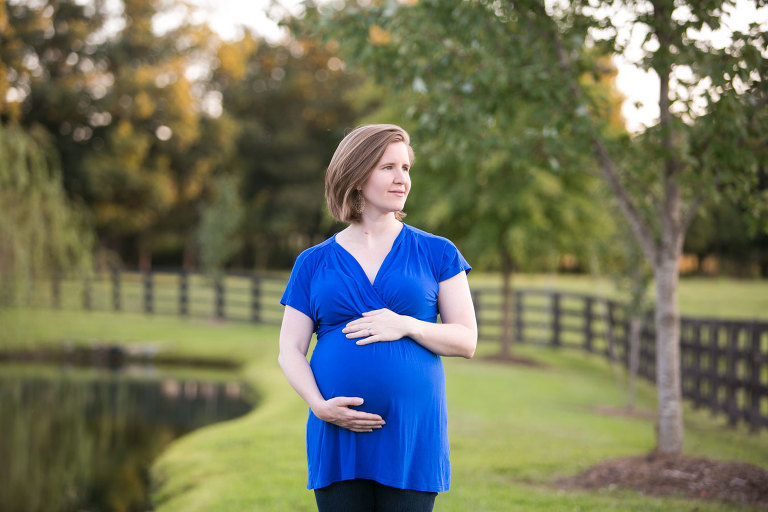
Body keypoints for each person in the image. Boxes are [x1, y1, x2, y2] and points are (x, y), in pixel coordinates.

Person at [278, 124, 477, 512]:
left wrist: (406, 324)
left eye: (406, 168)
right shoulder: (313, 262)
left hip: (411, 432)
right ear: (356, 174)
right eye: (388, 167)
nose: (402, 178)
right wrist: (319, 405)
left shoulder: (438, 252)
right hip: (337, 431)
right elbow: (289, 348)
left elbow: (466, 340)